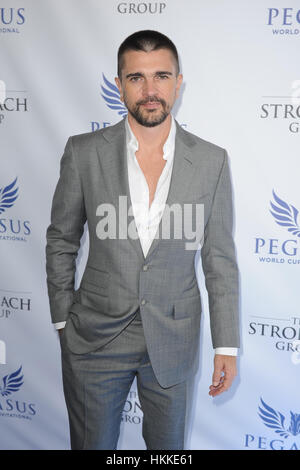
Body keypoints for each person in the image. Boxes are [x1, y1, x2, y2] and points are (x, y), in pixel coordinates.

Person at [46, 30, 240, 450]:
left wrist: (226, 344)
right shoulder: (83, 153)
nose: (150, 90)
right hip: (94, 338)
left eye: (161, 76)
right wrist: (63, 320)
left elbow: (219, 259)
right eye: (136, 78)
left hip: (174, 338)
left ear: (178, 81)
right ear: (119, 84)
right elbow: (62, 238)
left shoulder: (211, 161)